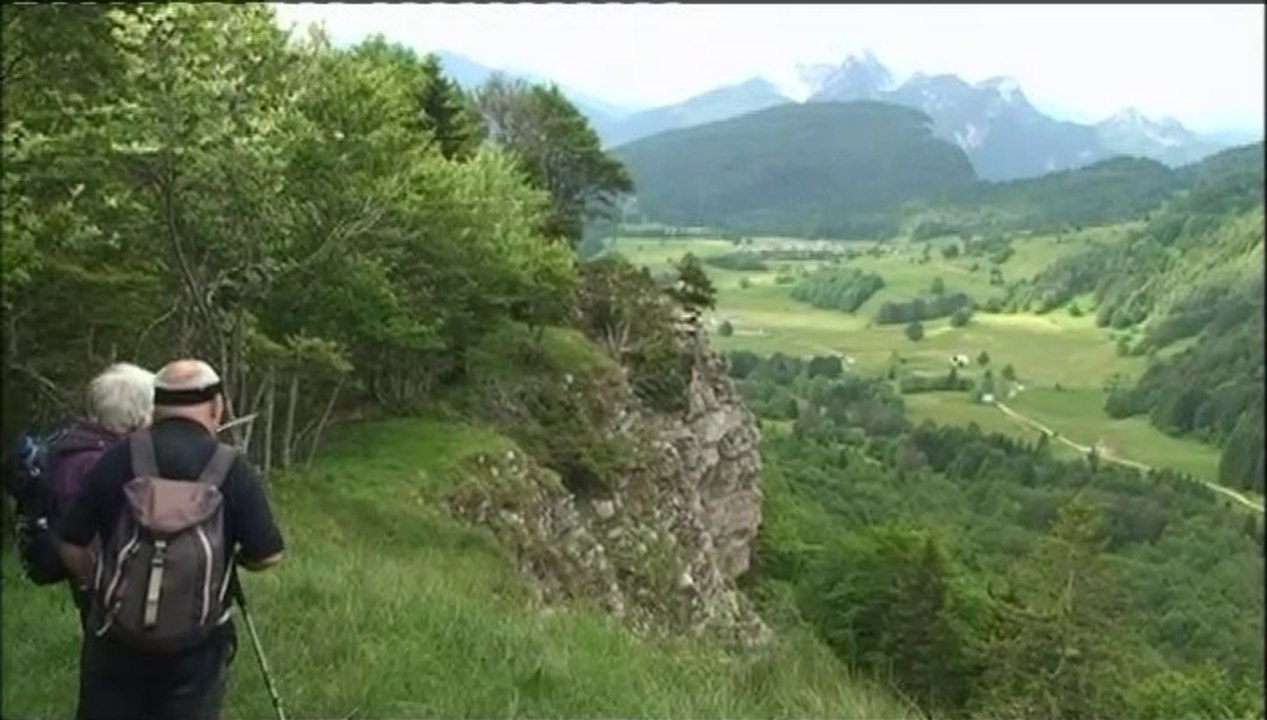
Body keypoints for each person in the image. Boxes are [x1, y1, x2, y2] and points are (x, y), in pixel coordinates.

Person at [58, 358, 285, 720]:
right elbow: (268, 555)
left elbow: (70, 543)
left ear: (156, 405)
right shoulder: (232, 468)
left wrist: (99, 591)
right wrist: (234, 558)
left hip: (115, 641)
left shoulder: (117, 457)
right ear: (217, 406)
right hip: (197, 647)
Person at [44, 362, 156, 624]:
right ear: (138, 413)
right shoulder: (99, 462)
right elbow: (84, 538)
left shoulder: (77, 447)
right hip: (108, 592)